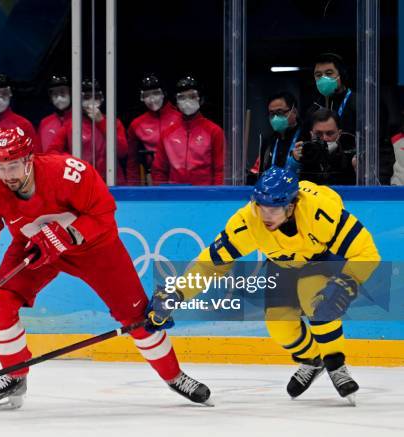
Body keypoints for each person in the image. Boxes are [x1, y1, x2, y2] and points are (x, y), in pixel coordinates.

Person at [0, 127, 210, 411]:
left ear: (29, 160)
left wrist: (63, 237)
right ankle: (15, 376)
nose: (7, 176)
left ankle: (174, 375)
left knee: (137, 317)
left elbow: (104, 214)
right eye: (0, 167)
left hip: (95, 249)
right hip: (35, 250)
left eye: (13, 166)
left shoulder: (67, 172)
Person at [147, 166, 380, 404]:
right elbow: (211, 264)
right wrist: (178, 292)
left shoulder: (320, 212)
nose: (266, 215)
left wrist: (347, 280)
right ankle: (313, 360)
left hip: (321, 258)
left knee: (316, 299)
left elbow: (367, 252)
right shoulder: (247, 222)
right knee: (279, 326)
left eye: (274, 208)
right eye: (261, 206)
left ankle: (335, 363)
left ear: (291, 205)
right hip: (284, 263)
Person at [47, 79, 128, 184]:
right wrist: (70, 162)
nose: (91, 102)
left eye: (96, 97)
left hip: (111, 182)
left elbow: (122, 152)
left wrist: (101, 123)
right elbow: (51, 152)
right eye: (86, 98)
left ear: (102, 99)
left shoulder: (113, 122)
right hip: (82, 182)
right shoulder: (71, 124)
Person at [152, 75, 224, 185]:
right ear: (176, 101)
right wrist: (162, 195)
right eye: (182, 97)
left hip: (205, 195)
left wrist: (216, 197)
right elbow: (159, 171)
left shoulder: (214, 131)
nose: (187, 101)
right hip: (174, 195)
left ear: (201, 99)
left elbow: (220, 171)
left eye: (192, 96)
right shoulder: (167, 134)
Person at [126, 74, 181, 185]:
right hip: (153, 179)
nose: (152, 99)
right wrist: (133, 189)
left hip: (179, 176)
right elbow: (132, 161)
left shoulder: (180, 118)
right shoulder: (137, 124)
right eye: (146, 95)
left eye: (156, 93)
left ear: (164, 93)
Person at [291, 109, 356, 185]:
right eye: (318, 134)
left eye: (330, 133)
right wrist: (294, 162)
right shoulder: (303, 156)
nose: (324, 138)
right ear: (311, 134)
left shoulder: (349, 159)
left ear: (339, 134)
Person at [248, 92, 301, 184]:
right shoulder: (268, 141)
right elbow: (259, 172)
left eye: (280, 112)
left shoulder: (306, 136)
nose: (276, 117)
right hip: (271, 192)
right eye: (272, 114)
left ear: (294, 112)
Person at [0, 72, 40, 149]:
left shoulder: (24, 125)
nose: (0, 98)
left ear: (10, 94)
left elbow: (35, 155)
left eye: (4, 93)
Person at [309, 53, 355, 135]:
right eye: (318, 75)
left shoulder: (358, 104)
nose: (323, 78)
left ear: (341, 75)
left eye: (329, 73)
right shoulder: (313, 109)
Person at [38, 74, 71, 153]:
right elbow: (38, 153)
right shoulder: (45, 123)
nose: (59, 98)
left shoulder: (81, 121)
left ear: (71, 93)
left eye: (63, 93)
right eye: (55, 94)